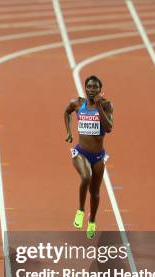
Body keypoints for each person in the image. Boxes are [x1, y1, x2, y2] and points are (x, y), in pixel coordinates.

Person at [64, 75, 113, 239]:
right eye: (89, 87)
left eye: (95, 87)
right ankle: (80, 210)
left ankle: (92, 221)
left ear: (100, 89)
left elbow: (109, 128)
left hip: (98, 156)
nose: (92, 90)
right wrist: (69, 132)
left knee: (95, 193)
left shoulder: (106, 105)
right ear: (85, 88)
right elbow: (67, 112)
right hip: (81, 152)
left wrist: (99, 107)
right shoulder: (78, 104)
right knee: (86, 177)